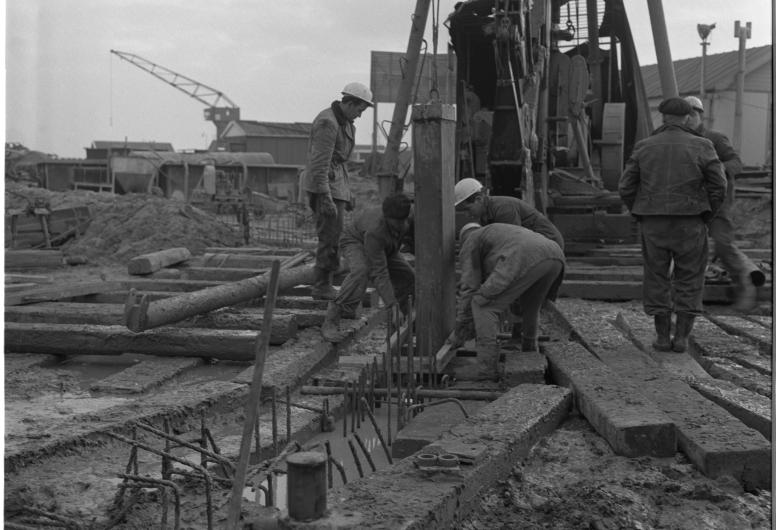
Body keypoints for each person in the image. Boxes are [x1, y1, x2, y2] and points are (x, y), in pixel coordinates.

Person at [619, 97, 727, 353]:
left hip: (653, 222)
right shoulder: (703, 145)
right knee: (689, 277)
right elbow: (719, 185)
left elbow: (625, 186)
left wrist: (641, 212)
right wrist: (707, 214)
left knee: (656, 276)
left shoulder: (645, 146)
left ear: (663, 117)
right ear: (688, 117)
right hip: (691, 222)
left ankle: (661, 338)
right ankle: (681, 339)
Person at [451, 222, 565, 380]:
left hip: (525, 255)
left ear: (462, 239)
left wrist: (461, 328)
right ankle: (529, 352)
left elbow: (470, 287)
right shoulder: (497, 233)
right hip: (554, 254)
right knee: (531, 307)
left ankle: (486, 370)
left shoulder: (471, 241)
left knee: (482, 306)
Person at [685, 95, 766, 311]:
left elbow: (736, 163)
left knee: (723, 244)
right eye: (685, 114)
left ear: (700, 116)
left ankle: (745, 286)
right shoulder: (679, 140)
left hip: (717, 204)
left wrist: (715, 168)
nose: (689, 118)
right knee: (688, 249)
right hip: (690, 205)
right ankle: (690, 299)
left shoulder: (715, 138)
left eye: (693, 114)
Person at [302, 82, 374, 300]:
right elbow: (320, 164)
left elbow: (341, 164)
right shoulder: (328, 123)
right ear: (350, 103)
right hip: (326, 188)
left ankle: (327, 280)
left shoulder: (346, 123)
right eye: (360, 109)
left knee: (335, 236)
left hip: (336, 187)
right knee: (329, 237)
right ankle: (322, 285)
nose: (360, 115)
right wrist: (324, 197)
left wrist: (347, 192)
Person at [321, 193, 415, 342]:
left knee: (409, 276)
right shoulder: (375, 231)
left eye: (402, 222)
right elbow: (379, 272)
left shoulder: (410, 215)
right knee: (361, 271)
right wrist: (392, 305)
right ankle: (332, 320)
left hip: (387, 245)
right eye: (394, 223)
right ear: (386, 217)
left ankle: (400, 324)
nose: (399, 226)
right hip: (355, 240)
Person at [454, 177, 565, 250]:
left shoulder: (503, 209)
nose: (467, 215)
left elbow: (512, 244)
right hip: (536, 245)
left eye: (467, 209)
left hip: (550, 244)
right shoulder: (486, 215)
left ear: (479, 199)